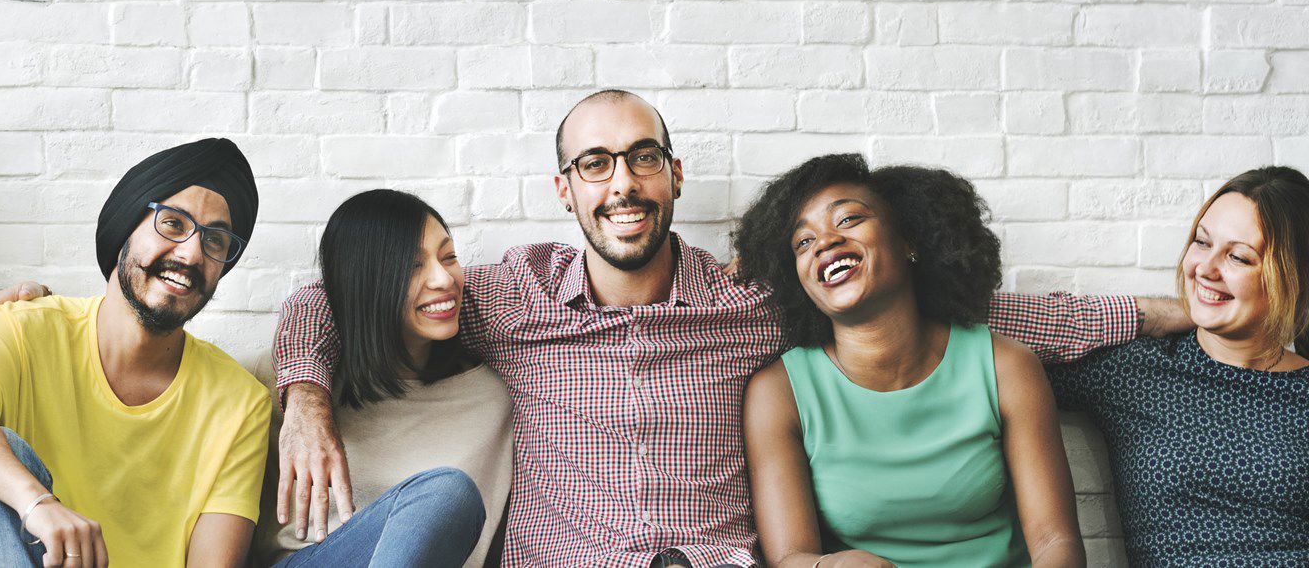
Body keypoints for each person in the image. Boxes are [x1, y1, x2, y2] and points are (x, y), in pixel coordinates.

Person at [271, 89, 1190, 567]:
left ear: (674, 176)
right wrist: (305, 398)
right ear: (565, 191)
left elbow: (943, 305)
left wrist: (1154, 313)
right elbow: (337, 296)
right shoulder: (513, 299)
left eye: (642, 159)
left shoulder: (749, 304)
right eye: (595, 164)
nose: (622, 183)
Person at [0, 138, 271, 568]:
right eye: (173, 223)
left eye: (215, 240)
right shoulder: (28, 328)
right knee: (1, 453)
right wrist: (37, 503)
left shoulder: (240, 403)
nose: (192, 253)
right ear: (127, 226)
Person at [736, 155, 1082, 567]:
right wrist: (830, 565)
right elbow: (791, 557)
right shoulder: (780, 393)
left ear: (909, 240)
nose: (825, 242)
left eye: (848, 219)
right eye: (803, 242)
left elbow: (1056, 542)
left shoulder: (1005, 366)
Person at [1045, 166, 1309, 565]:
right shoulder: (1134, 372)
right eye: (1202, 242)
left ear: (1292, 277)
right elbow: (979, 332)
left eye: (1238, 256)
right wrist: (1149, 313)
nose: (1205, 268)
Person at [254, 189, 502, 567]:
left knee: (447, 497)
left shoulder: (493, 399)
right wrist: (303, 396)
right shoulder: (288, 383)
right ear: (365, 280)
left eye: (449, 257)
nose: (443, 278)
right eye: (412, 265)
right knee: (445, 494)